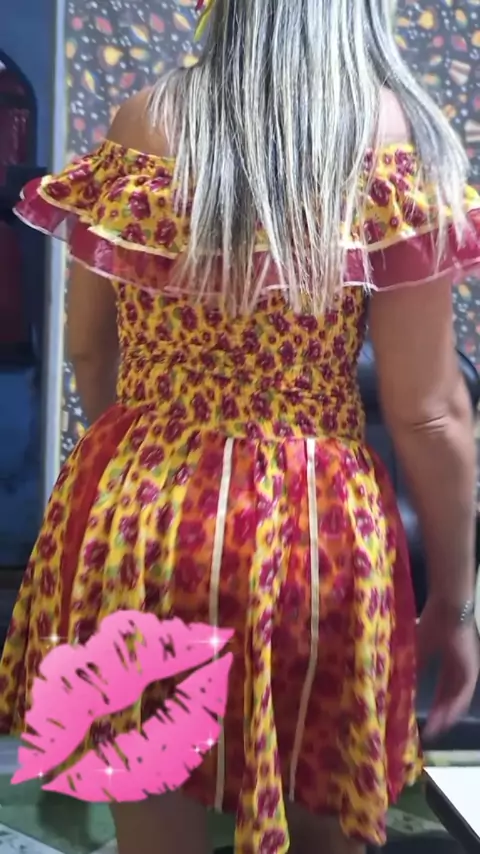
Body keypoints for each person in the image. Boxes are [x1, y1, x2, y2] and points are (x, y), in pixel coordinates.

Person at [2, 0, 480, 852]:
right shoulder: (392, 134)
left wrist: (138, 462)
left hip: (146, 521)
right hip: (314, 539)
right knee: (323, 830)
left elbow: (88, 347)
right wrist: (453, 597)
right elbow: (428, 410)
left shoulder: (143, 120)